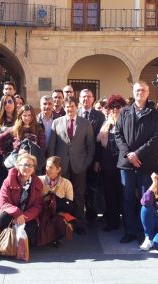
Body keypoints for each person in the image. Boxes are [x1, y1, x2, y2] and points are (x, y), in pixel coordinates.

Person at [114, 81, 158, 244]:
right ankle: (129, 231)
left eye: (143, 90)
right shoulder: (124, 112)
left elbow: (155, 138)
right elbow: (118, 134)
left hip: (146, 163)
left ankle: (144, 232)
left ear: (148, 93)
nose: (140, 93)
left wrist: (138, 154)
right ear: (133, 92)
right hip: (127, 164)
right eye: (137, 90)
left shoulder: (155, 114)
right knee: (127, 198)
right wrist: (129, 154)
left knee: (145, 198)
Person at [47, 96, 95, 227]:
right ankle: (64, 224)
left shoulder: (85, 123)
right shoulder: (57, 122)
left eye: (72, 106)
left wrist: (87, 163)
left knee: (79, 195)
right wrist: (52, 167)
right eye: (67, 106)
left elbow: (91, 145)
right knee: (62, 195)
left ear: (77, 107)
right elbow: (52, 145)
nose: (70, 109)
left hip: (79, 165)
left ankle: (79, 223)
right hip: (61, 167)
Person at [0, 153, 44, 247]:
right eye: (25, 165)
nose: (27, 168)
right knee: (3, 218)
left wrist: (23, 217)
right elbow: (4, 202)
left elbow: (37, 206)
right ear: (18, 166)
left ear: (34, 168)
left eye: (31, 165)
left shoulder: (37, 183)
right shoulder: (8, 181)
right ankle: (2, 243)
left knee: (32, 227)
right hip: (11, 214)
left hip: (26, 216)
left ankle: (17, 246)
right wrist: (17, 214)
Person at [97, 94, 126, 232]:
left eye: (118, 107)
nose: (115, 110)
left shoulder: (127, 122)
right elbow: (99, 144)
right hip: (108, 163)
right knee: (109, 193)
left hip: (123, 163)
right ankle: (112, 221)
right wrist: (98, 161)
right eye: (112, 107)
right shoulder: (106, 124)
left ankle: (125, 221)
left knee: (123, 193)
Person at [78, 88, 105, 224]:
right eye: (83, 97)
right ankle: (78, 216)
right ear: (79, 99)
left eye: (88, 97)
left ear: (93, 99)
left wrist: (98, 160)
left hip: (93, 158)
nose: (85, 99)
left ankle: (91, 215)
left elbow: (100, 141)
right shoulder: (73, 113)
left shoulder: (99, 116)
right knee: (78, 188)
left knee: (91, 187)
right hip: (77, 159)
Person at [38, 156, 76, 246]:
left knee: (59, 221)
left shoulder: (66, 183)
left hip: (58, 213)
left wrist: (56, 200)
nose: (48, 169)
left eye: (51, 167)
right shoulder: (39, 180)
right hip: (42, 212)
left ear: (58, 169)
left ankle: (56, 237)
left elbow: (70, 205)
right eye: (47, 166)